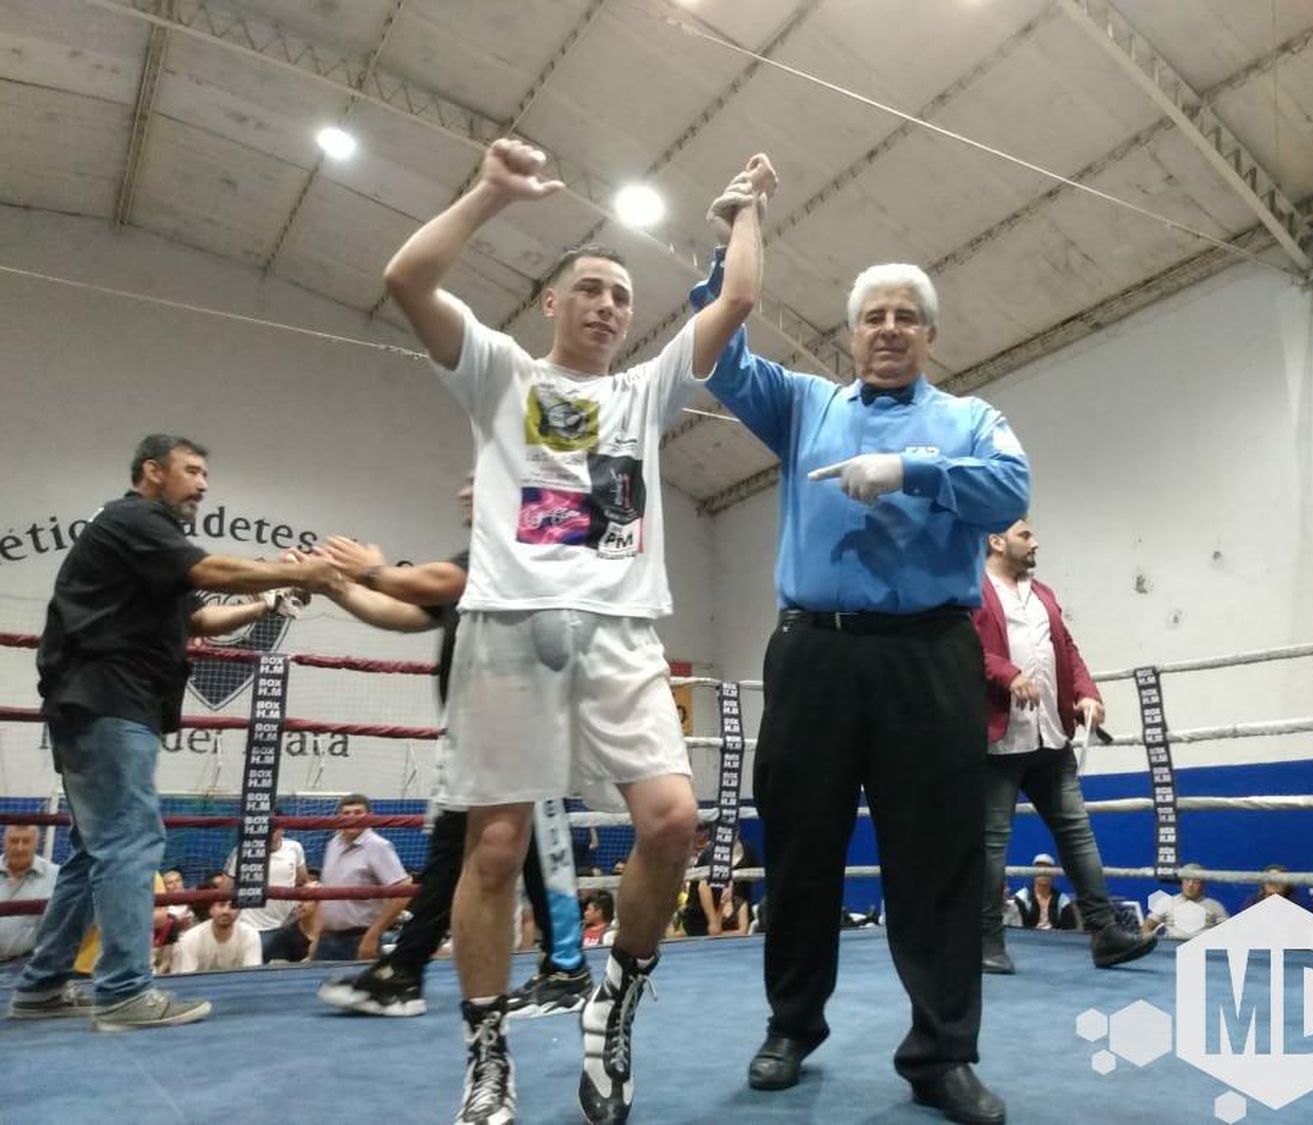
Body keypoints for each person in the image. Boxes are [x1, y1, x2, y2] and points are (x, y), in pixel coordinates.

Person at [381, 135, 777, 1124]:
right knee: (496, 848)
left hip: (620, 633)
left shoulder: (644, 392)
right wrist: (487, 194)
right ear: (552, 303)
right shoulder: (502, 374)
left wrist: (745, 214)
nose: (606, 304)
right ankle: (486, 1052)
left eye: (620, 294)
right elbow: (406, 277)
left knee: (673, 821)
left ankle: (615, 1002)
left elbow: (734, 303)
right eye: (588, 288)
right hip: (509, 628)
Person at [694, 238, 1027, 1122]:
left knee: (940, 862)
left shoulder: (968, 417)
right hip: (815, 653)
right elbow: (715, 354)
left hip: (931, 655)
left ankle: (941, 1053)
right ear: (849, 333)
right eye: (873, 316)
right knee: (801, 849)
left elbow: (1010, 487)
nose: (888, 329)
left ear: (930, 334)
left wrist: (913, 470)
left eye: (905, 317)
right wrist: (732, 237)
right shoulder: (804, 403)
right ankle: (791, 1026)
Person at [6, 434, 339, 1031]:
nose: (204, 483)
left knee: (92, 854)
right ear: (153, 472)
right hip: (106, 703)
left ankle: (40, 985)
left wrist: (269, 601)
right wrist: (307, 567)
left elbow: (201, 618)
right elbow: (210, 570)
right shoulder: (133, 521)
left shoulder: (149, 548)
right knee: (133, 842)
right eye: (193, 470)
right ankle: (125, 993)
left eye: (206, 472)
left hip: (103, 706)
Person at [313, 481, 591, 1021]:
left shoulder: (515, 554)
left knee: (532, 852)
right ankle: (406, 972)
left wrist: (369, 567)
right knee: (452, 858)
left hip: (524, 730)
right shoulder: (477, 569)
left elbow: (426, 582)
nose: (463, 491)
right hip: (476, 738)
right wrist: (333, 586)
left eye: (479, 483)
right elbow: (404, 610)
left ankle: (563, 970)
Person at [972, 519, 1156, 975]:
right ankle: (984, 942)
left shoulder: (1044, 594)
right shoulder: (968, 591)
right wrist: (1007, 674)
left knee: (1078, 835)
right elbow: (962, 647)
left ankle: (1105, 933)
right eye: (1024, 535)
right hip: (998, 739)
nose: (1035, 542)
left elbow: (1067, 650)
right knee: (992, 845)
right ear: (997, 542)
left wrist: (1086, 692)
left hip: (1051, 735)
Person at [311, 793, 411, 962]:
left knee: (359, 987)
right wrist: (315, 937)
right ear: (338, 817)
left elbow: (404, 889)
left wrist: (373, 935)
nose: (352, 818)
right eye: (347, 813)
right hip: (327, 939)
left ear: (369, 817)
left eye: (358, 813)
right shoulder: (333, 844)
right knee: (319, 986)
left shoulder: (378, 846)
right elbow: (325, 895)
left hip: (360, 938)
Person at [225, 823, 308, 962]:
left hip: (286, 925)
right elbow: (225, 889)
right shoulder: (243, 851)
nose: (269, 833)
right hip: (251, 927)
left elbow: (302, 879)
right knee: (251, 972)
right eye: (265, 828)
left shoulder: (294, 848)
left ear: (282, 829)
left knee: (283, 975)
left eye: (273, 828)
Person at [1, 825, 58, 964]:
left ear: (36, 844)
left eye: (26, 841)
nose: (19, 848)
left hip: (24, 966)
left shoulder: (55, 876)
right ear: (4, 842)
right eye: (14, 841)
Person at [171, 888, 262, 973]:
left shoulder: (250, 935)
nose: (226, 911)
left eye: (232, 906)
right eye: (221, 905)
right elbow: (187, 979)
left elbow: (252, 976)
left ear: (239, 910)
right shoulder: (191, 938)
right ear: (210, 909)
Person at [1141, 865, 1228, 939]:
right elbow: (1147, 926)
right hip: (1171, 950)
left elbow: (1227, 931)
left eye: (1195, 882)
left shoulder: (1215, 906)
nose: (1190, 885)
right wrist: (1149, 938)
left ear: (1203, 884)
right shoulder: (1167, 902)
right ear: (1181, 882)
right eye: (1187, 880)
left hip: (1203, 950)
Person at [1011, 854, 1079, 932]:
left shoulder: (1063, 900)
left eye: (1048, 869)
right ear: (1033, 872)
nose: (1044, 872)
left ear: (1054, 873)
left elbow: (1070, 930)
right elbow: (1017, 929)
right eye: (1039, 868)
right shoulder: (1022, 897)